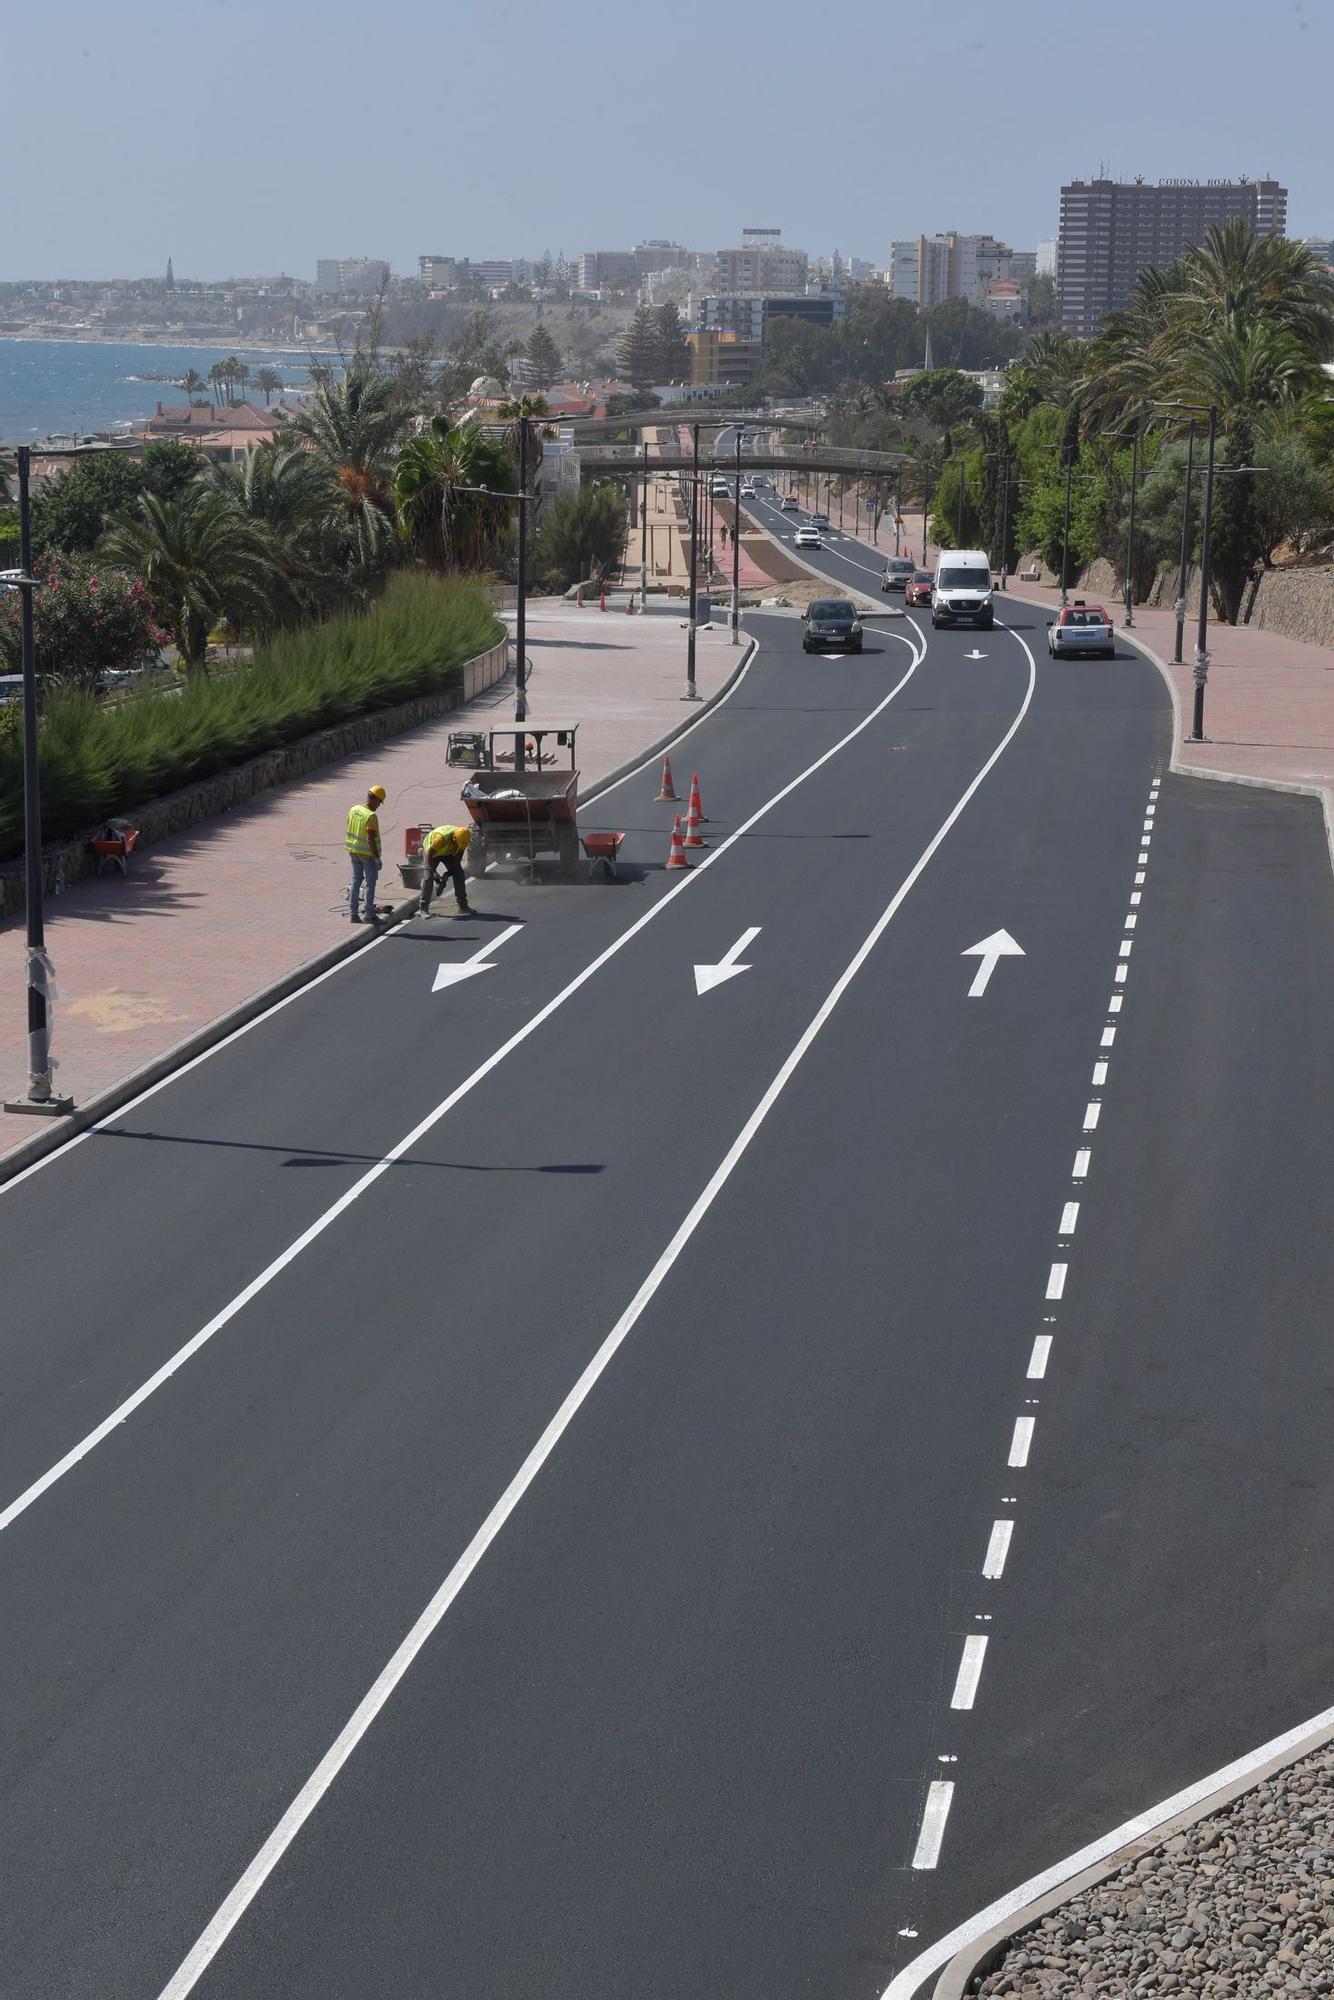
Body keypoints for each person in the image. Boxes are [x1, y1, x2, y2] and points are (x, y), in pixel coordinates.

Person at [346, 784, 385, 924]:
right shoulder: (371, 816)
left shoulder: (354, 809)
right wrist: (377, 858)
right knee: (370, 883)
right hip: (367, 855)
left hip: (353, 851)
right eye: (379, 802)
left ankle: (353, 914)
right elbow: (370, 838)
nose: (378, 806)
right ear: (373, 799)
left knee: (356, 882)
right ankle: (369, 915)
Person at [419, 823, 474, 917]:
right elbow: (430, 856)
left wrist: (447, 875)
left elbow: (457, 861)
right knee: (428, 877)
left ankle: (463, 906)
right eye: (457, 844)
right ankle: (423, 909)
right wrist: (434, 873)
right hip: (432, 853)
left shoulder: (463, 839)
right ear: (453, 838)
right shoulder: (440, 839)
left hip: (448, 853)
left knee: (459, 874)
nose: (459, 846)